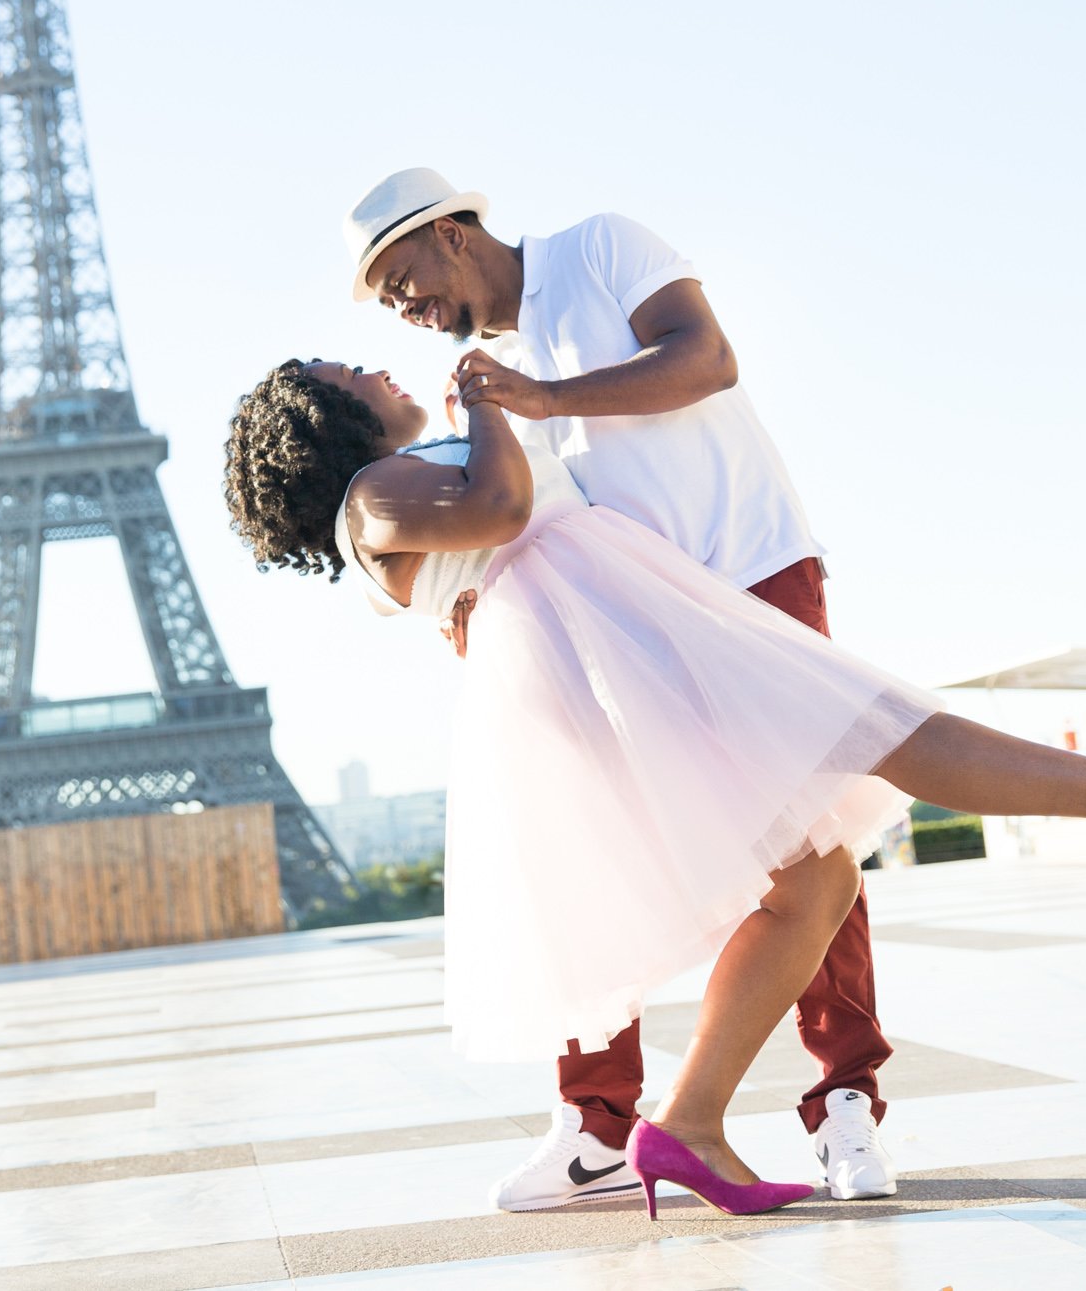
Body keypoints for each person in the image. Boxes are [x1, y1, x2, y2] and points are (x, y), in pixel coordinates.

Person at [220, 356, 1086, 1217]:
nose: (367, 363)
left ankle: (687, 1123)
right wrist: (493, 400)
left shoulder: (399, 480)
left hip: (637, 640)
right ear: (321, 423)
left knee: (814, 882)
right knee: (878, 726)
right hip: (625, 659)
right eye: (341, 370)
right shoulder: (372, 497)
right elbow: (500, 506)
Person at [343, 166, 889, 1209]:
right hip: (639, 625)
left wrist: (542, 400)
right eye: (382, 299)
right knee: (585, 844)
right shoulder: (482, 380)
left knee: (814, 843)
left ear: (451, 232)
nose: (400, 305)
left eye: (397, 274)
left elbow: (704, 358)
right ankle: (596, 1120)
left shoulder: (597, 248)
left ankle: (843, 1100)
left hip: (752, 567)